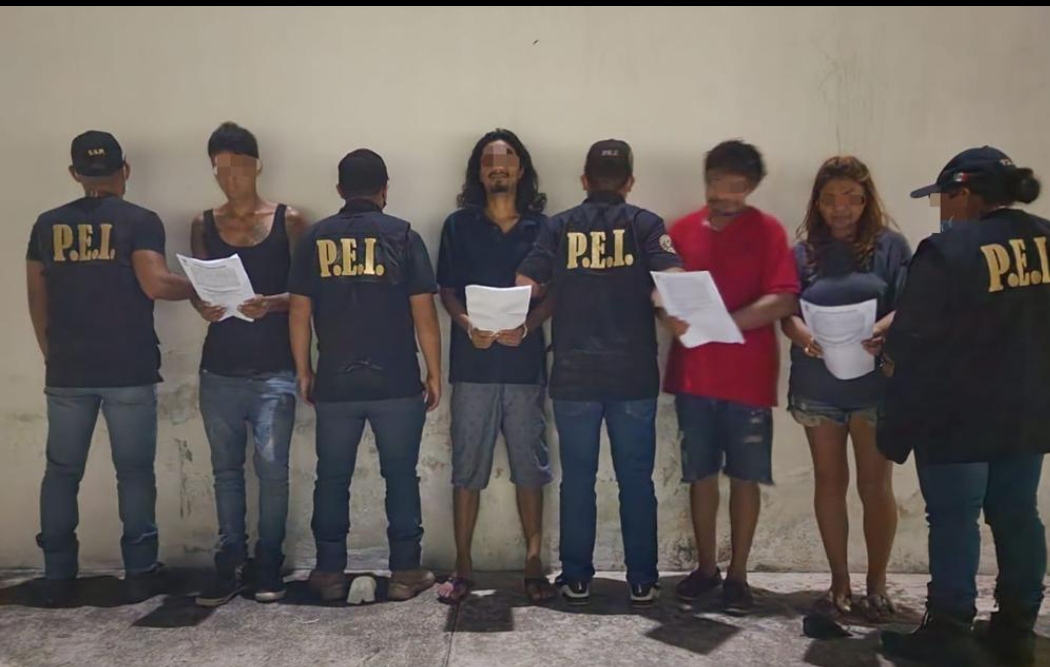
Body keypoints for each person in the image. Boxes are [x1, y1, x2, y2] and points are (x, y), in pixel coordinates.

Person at [879, 146, 1047, 667]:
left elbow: (913, 335)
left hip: (956, 414)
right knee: (1018, 515)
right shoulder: (1046, 239)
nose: (943, 211)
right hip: (1028, 410)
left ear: (965, 193)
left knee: (954, 517)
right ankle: (1017, 629)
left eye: (944, 199)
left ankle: (949, 630)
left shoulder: (947, 250)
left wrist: (890, 374)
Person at [25, 130, 195, 606]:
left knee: (61, 472)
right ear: (125, 170)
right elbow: (156, 283)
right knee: (134, 472)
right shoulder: (139, 220)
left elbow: (37, 296)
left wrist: (51, 353)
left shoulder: (46, 225)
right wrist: (201, 289)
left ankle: (57, 574)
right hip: (128, 366)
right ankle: (139, 571)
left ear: (75, 174)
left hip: (67, 369)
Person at [516, 139, 682, 608]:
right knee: (636, 480)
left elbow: (526, 283)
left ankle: (576, 578)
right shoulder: (646, 224)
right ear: (630, 182)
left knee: (578, 480)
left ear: (584, 180)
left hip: (575, 373)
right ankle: (643, 581)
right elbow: (672, 282)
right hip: (633, 373)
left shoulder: (559, 226)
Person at [288, 148, 441, 603]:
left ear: (340, 190)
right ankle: (406, 571)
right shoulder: (403, 236)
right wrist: (435, 371)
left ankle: (329, 572)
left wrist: (304, 370)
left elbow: (299, 311)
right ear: (384, 190)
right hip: (396, 380)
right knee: (401, 476)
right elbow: (424, 313)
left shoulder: (315, 239)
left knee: (332, 478)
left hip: (336, 381)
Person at [661, 139, 799, 615]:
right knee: (699, 476)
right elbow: (662, 291)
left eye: (737, 186)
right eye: (718, 183)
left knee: (745, 478)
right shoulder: (681, 230)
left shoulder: (769, 231)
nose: (725, 195)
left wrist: (726, 323)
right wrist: (668, 316)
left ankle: (738, 574)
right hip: (694, 376)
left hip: (748, 379)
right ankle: (706, 568)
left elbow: (784, 298)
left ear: (753, 186)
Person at [780, 156, 911, 621]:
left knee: (875, 484)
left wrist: (883, 329)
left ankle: (876, 584)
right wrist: (803, 335)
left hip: (874, 385)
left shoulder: (891, 246)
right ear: (817, 203)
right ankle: (839, 581)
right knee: (829, 482)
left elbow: (909, 303)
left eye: (852, 198)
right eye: (831, 199)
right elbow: (786, 311)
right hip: (818, 385)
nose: (841, 208)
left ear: (866, 201)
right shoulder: (803, 253)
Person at [189, 122, 309, 607]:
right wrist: (203, 305)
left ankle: (268, 560)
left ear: (256, 166)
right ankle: (230, 560)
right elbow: (200, 284)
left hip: (274, 365)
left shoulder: (288, 220)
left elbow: (308, 293)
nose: (230, 178)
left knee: (273, 469)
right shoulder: (203, 223)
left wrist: (271, 303)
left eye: (238, 168)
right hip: (219, 365)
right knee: (225, 471)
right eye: (220, 169)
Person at [434, 129, 556, 605]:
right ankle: (463, 565)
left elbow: (556, 292)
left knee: (531, 467)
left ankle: (533, 562)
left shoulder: (543, 227)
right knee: (467, 467)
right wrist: (467, 326)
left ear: (521, 169)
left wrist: (528, 327)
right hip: (473, 366)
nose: (497, 167)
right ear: (478, 172)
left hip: (525, 367)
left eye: (506, 159)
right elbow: (446, 289)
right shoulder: (458, 226)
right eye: (488, 161)